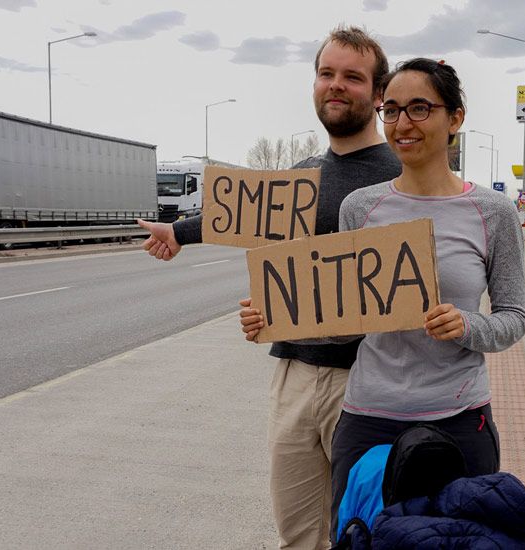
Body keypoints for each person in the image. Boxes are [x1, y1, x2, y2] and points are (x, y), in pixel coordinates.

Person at [239, 58, 525, 535]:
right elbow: (351, 320)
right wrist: (275, 317)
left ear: (454, 118)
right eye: (390, 110)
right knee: (357, 540)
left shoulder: (492, 212)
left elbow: (514, 317)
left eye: (419, 108)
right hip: (368, 416)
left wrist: (467, 326)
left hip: (458, 416)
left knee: (459, 542)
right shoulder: (362, 207)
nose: (402, 124)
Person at [138, 27, 402, 550]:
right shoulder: (300, 175)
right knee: (298, 535)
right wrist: (178, 234)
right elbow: (239, 215)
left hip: (372, 380)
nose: (336, 86)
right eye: (326, 74)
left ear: (377, 94)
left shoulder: (401, 175)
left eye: (352, 77)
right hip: (295, 376)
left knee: (368, 533)